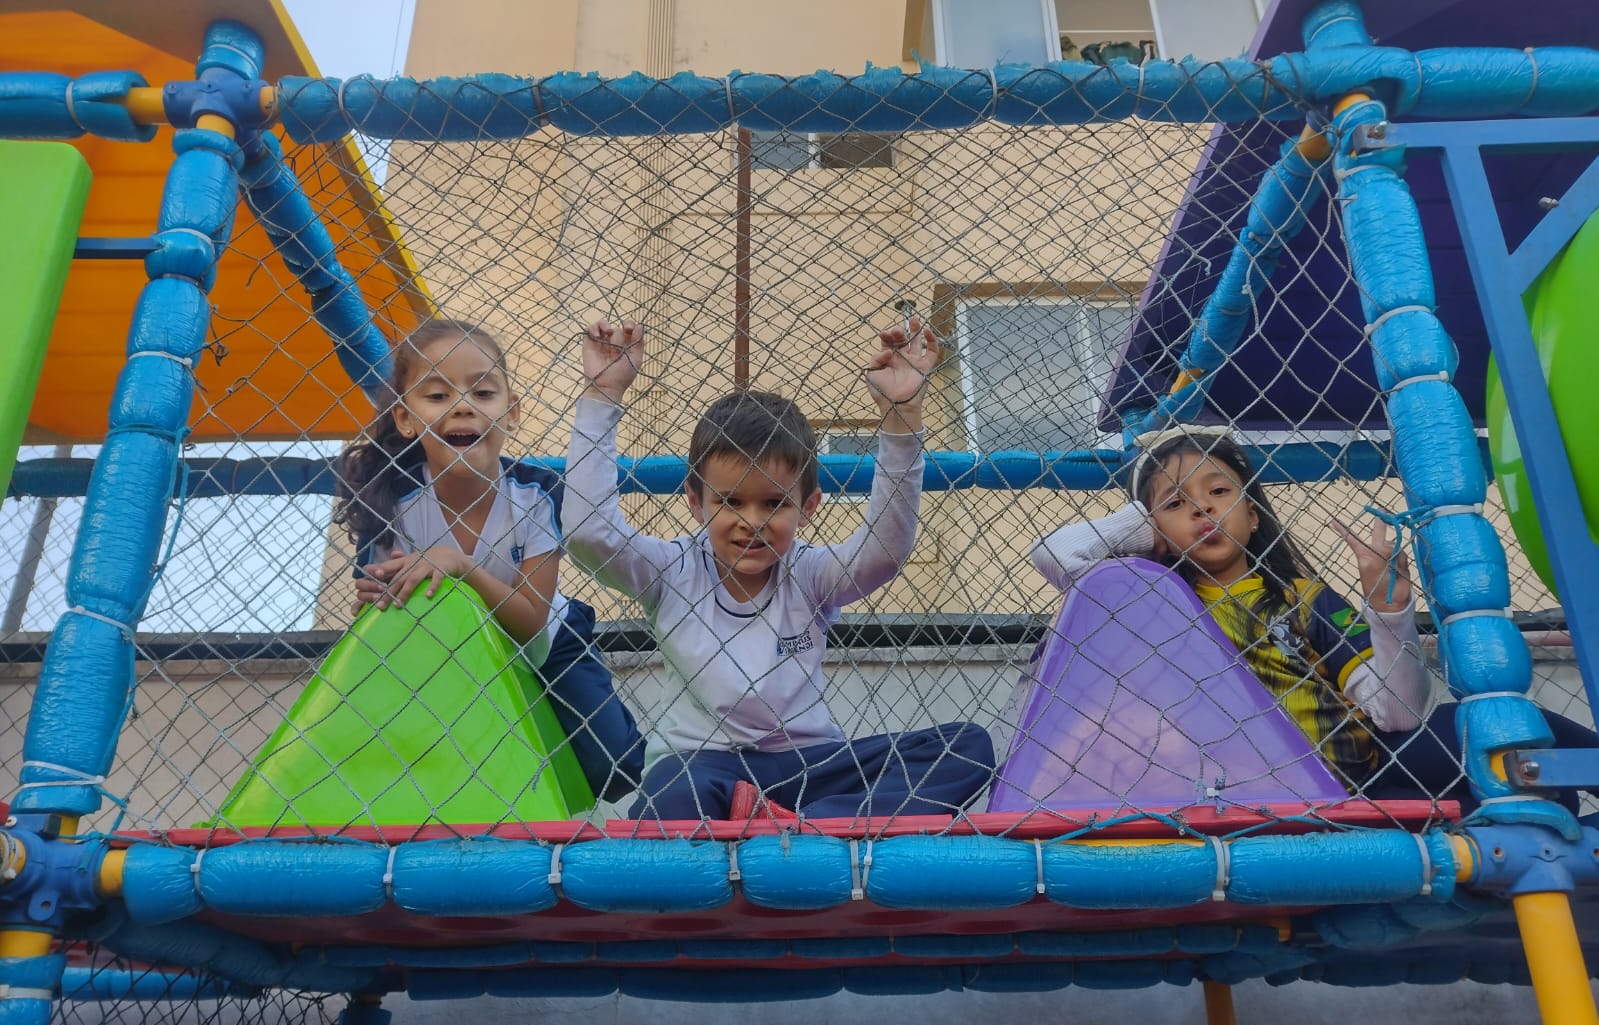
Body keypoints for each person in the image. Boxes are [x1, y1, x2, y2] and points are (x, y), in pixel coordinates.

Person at [1028, 425, 1597, 809]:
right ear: (1152, 532)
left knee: (1499, 726)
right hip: (1232, 785)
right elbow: (1056, 557)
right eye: (1176, 504)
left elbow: (1397, 714)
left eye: (1218, 491)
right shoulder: (1155, 607)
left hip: (1360, 773)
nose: (1201, 508)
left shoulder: (1300, 597)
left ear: (1252, 510)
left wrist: (1389, 612)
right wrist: (1147, 520)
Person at [563, 317, 994, 822]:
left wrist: (901, 421)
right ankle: (813, 826)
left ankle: (807, 827)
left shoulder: (807, 573)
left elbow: (883, 552)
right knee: (674, 790)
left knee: (966, 748)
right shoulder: (671, 570)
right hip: (708, 767)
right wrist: (601, 396)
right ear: (696, 503)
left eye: (774, 503)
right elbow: (590, 534)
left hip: (809, 769)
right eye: (731, 501)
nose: (753, 522)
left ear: (807, 506)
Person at [334, 318, 645, 804]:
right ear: (405, 418)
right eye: (437, 397)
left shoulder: (536, 494)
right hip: (444, 654)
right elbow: (376, 606)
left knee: (616, 769)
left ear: (512, 411)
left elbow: (528, 621)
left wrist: (458, 564)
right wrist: (377, 601)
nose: (462, 406)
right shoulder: (390, 502)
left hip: (545, 643)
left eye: (482, 393)